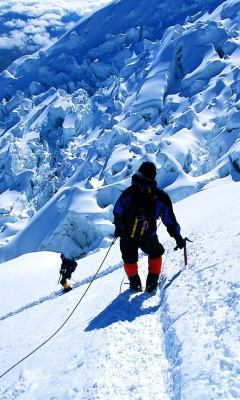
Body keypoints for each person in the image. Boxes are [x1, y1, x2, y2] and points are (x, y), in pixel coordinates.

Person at [113, 161, 186, 292]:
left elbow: (118, 211)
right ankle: (152, 283)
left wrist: (119, 227)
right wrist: (178, 237)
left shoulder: (129, 192)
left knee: (129, 259)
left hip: (128, 235)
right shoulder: (160, 196)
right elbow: (169, 220)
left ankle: (135, 284)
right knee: (156, 253)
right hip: (149, 235)